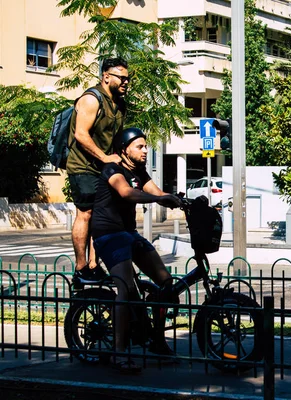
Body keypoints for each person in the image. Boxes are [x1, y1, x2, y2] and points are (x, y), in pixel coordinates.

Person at [91, 127, 182, 373]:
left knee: (165, 282)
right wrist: (158, 200)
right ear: (124, 149)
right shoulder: (113, 170)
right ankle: (118, 352)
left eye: (145, 146)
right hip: (108, 234)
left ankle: (157, 341)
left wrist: (179, 200)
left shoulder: (139, 171)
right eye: (139, 147)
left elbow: (158, 193)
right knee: (124, 289)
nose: (145, 151)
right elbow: (126, 192)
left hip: (129, 234)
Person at [67, 57, 129, 282]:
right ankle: (81, 269)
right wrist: (104, 157)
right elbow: (80, 134)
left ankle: (94, 265)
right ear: (106, 77)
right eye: (121, 77)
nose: (125, 82)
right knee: (86, 213)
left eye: (127, 78)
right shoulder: (91, 100)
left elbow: (115, 140)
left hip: (103, 167)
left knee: (102, 217)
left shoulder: (119, 104)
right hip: (83, 167)